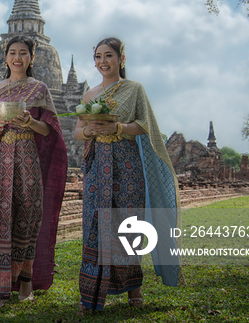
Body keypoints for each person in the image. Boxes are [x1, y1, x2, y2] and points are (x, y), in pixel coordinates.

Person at [74, 37, 181, 315]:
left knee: (128, 225)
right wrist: (90, 131)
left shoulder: (134, 90)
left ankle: (134, 289)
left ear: (122, 58)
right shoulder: (89, 95)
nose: (102, 62)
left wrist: (118, 128)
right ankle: (92, 294)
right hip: (98, 166)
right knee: (95, 224)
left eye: (108, 56)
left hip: (128, 166)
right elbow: (77, 130)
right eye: (97, 57)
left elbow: (146, 126)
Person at [0, 35, 68, 310]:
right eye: (12, 52)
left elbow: (48, 129)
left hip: (28, 155)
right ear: (5, 57)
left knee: (28, 216)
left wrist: (30, 122)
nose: (17, 58)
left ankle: (26, 281)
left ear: (32, 58)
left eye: (23, 53)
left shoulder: (39, 89)